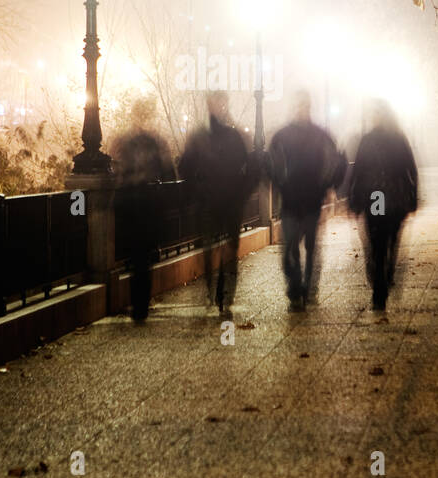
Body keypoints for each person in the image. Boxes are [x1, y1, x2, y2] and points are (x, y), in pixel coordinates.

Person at [267, 90, 345, 312]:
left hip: (311, 200)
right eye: (299, 105)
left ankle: (307, 288)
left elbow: (336, 161)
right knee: (290, 248)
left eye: (305, 105)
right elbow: (271, 163)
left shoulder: (320, 135)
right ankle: (295, 287)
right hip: (291, 201)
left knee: (311, 247)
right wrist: (279, 182)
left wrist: (327, 185)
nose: (302, 109)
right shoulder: (283, 136)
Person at [179, 91, 255, 318]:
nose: (217, 107)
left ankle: (221, 292)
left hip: (223, 202)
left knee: (223, 248)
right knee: (217, 248)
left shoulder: (215, 136)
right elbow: (186, 167)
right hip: (217, 202)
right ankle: (218, 291)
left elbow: (184, 167)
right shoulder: (224, 136)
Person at [348, 99, 418, 312]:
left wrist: (355, 199)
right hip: (385, 197)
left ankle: (382, 279)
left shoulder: (377, 139)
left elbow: (409, 169)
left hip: (382, 196)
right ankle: (382, 283)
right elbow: (359, 171)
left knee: (384, 241)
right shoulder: (393, 138)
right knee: (383, 241)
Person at [111, 98, 175, 322]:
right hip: (148, 206)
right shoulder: (155, 142)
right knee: (143, 259)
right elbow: (169, 173)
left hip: (130, 206)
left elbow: (116, 172)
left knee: (136, 256)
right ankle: (141, 305)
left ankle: (138, 304)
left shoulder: (123, 142)